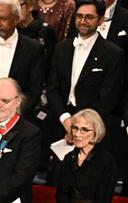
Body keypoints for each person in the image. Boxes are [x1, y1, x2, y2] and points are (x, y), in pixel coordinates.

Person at [46, 0, 124, 144]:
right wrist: (65, 119)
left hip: (93, 128)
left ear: (101, 20)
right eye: (79, 16)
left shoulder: (113, 54)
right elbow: (52, 89)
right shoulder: (61, 48)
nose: (82, 21)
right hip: (60, 122)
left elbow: (108, 98)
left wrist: (80, 128)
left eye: (89, 17)